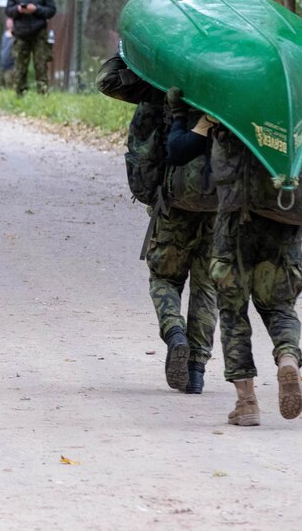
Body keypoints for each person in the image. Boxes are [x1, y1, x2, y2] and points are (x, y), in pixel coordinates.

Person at [166, 87, 302, 424]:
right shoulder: (297, 119)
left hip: (234, 228)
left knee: (233, 314)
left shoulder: (226, 107)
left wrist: (179, 113)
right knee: (280, 307)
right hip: (283, 227)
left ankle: (247, 402)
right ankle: (288, 359)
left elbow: (178, 151)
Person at [97, 55, 218, 394]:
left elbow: (107, 80)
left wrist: (136, 51)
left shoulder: (161, 78)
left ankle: (174, 331)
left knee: (164, 276)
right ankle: (196, 371)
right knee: (207, 285)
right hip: (221, 200)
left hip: (174, 199)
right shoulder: (231, 81)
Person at [5, 0, 56, 96]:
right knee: (20, 66)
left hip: (39, 33)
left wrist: (37, 9)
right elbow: (8, 10)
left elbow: (51, 11)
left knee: (41, 65)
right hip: (20, 34)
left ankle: (43, 94)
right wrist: (17, 10)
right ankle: (20, 94)